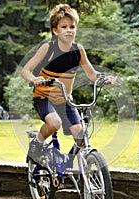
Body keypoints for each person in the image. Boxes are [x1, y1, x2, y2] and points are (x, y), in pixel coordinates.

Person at [21, 4, 115, 163]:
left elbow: (92, 74)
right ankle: (37, 143)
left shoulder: (78, 50)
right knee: (54, 123)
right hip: (44, 98)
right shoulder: (48, 48)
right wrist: (34, 79)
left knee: (81, 133)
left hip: (65, 100)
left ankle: (70, 165)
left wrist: (104, 79)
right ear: (55, 30)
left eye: (72, 26)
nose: (69, 30)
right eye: (64, 27)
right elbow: (26, 70)